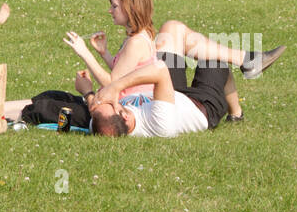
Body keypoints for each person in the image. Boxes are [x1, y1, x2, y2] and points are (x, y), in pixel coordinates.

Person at [87, 20, 286, 137]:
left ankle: (249, 61)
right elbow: (159, 69)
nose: (108, 98)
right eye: (112, 103)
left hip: (170, 95)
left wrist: (88, 92)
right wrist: (115, 87)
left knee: (172, 29)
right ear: (125, 116)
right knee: (215, 61)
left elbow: (95, 111)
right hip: (200, 106)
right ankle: (237, 111)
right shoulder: (159, 123)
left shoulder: (105, 123)